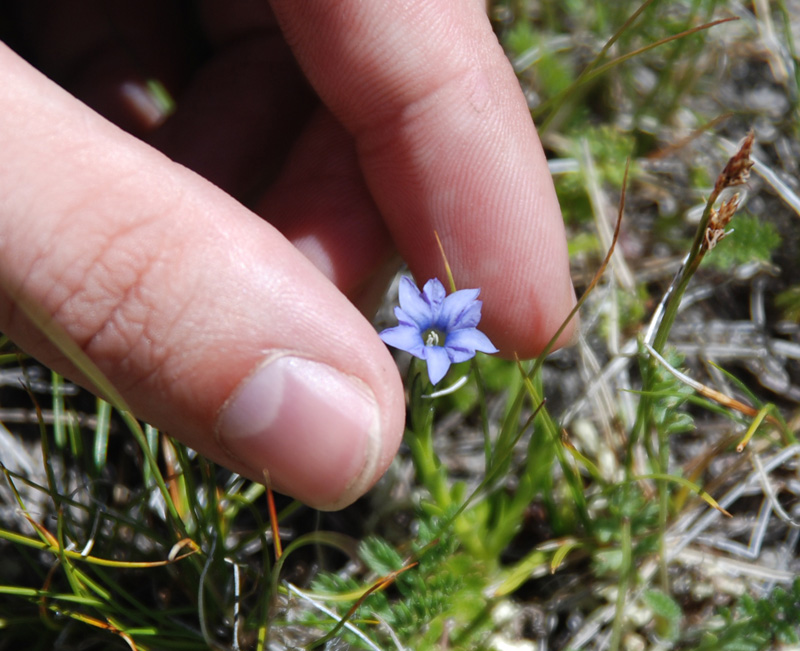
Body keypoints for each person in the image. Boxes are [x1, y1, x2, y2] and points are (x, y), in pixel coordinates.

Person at [0, 1, 575, 510]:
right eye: (430, 335)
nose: (432, 338)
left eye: (437, 338)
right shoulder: (425, 327)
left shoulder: (448, 329)